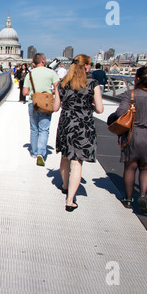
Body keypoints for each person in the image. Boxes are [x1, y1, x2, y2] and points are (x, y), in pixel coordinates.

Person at [110, 66, 147, 214]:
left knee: (130, 167)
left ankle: (128, 199)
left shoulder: (131, 94)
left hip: (134, 135)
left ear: (137, 79)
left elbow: (121, 113)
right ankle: (142, 195)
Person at [53, 54, 104, 212]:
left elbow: (55, 108)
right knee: (77, 162)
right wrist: (91, 107)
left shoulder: (62, 83)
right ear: (87, 66)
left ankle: (64, 185)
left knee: (65, 157)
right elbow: (100, 109)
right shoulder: (92, 83)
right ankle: (70, 200)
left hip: (66, 123)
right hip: (83, 124)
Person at [23, 53, 59, 166]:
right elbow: (59, 89)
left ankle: (33, 152)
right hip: (47, 103)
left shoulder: (29, 74)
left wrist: (35, 92)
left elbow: (25, 92)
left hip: (33, 104)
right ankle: (41, 153)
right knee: (44, 129)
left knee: (34, 129)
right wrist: (50, 91)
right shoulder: (51, 73)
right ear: (43, 61)